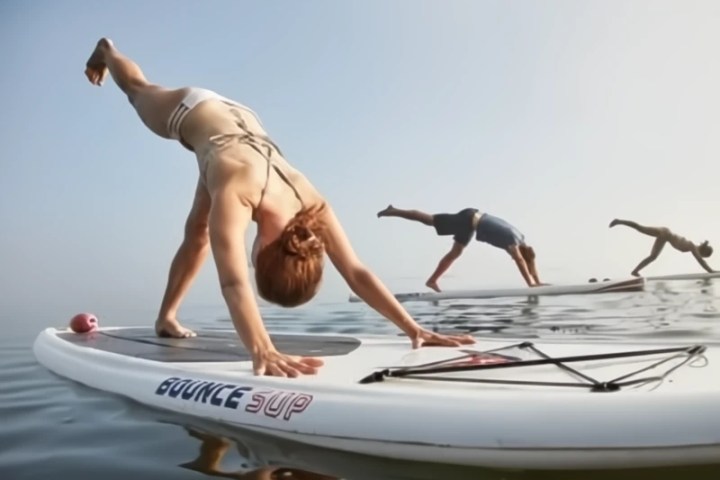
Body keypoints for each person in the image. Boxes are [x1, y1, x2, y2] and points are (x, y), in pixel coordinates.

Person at [84, 38, 474, 377]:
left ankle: (166, 318)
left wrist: (413, 328)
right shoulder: (239, 192)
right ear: (264, 253)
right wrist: (261, 349)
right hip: (192, 112)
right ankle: (108, 50)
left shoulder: (311, 207)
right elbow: (233, 281)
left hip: (241, 129)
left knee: (198, 235)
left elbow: (355, 272)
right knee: (138, 88)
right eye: (256, 262)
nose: (248, 257)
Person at [376, 205, 542, 291]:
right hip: (468, 219)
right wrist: (531, 284)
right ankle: (394, 210)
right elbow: (521, 260)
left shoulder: (521, 240)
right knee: (429, 220)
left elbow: (528, 261)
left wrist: (538, 281)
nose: (513, 257)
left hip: (472, 220)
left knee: (455, 253)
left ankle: (432, 281)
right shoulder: (513, 241)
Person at [608, 218, 715, 276]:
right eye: (705, 256)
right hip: (666, 234)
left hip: (665, 232)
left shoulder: (692, 246)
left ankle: (619, 221)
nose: (703, 257)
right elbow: (700, 261)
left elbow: (701, 260)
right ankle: (635, 271)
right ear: (704, 252)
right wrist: (711, 271)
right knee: (652, 256)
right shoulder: (692, 246)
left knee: (641, 230)